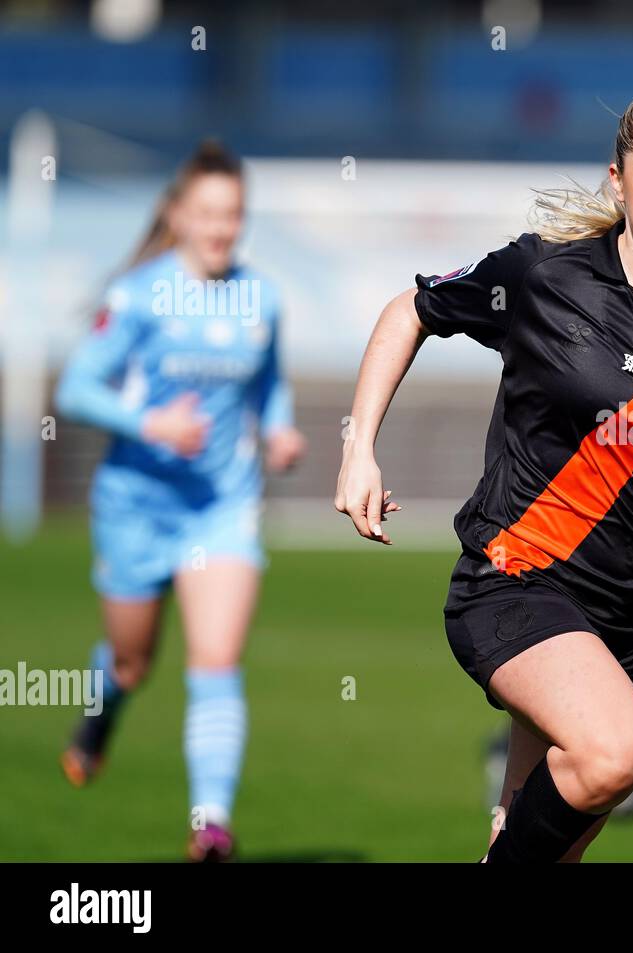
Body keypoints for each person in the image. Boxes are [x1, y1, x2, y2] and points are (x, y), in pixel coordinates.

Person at [335, 87, 633, 862]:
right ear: (618, 179)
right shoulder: (542, 274)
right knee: (618, 752)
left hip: (629, 620)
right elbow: (411, 312)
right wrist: (359, 448)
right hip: (515, 577)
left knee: (534, 844)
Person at [56, 140, 306, 862]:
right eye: (207, 213)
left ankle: (211, 824)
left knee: (216, 658)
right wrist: (152, 423)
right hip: (136, 504)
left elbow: (269, 383)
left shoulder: (262, 297)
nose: (221, 228)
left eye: (233, 214)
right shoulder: (138, 295)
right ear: (178, 214)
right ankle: (102, 713)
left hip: (221, 505)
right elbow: (76, 388)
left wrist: (281, 426)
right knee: (133, 662)